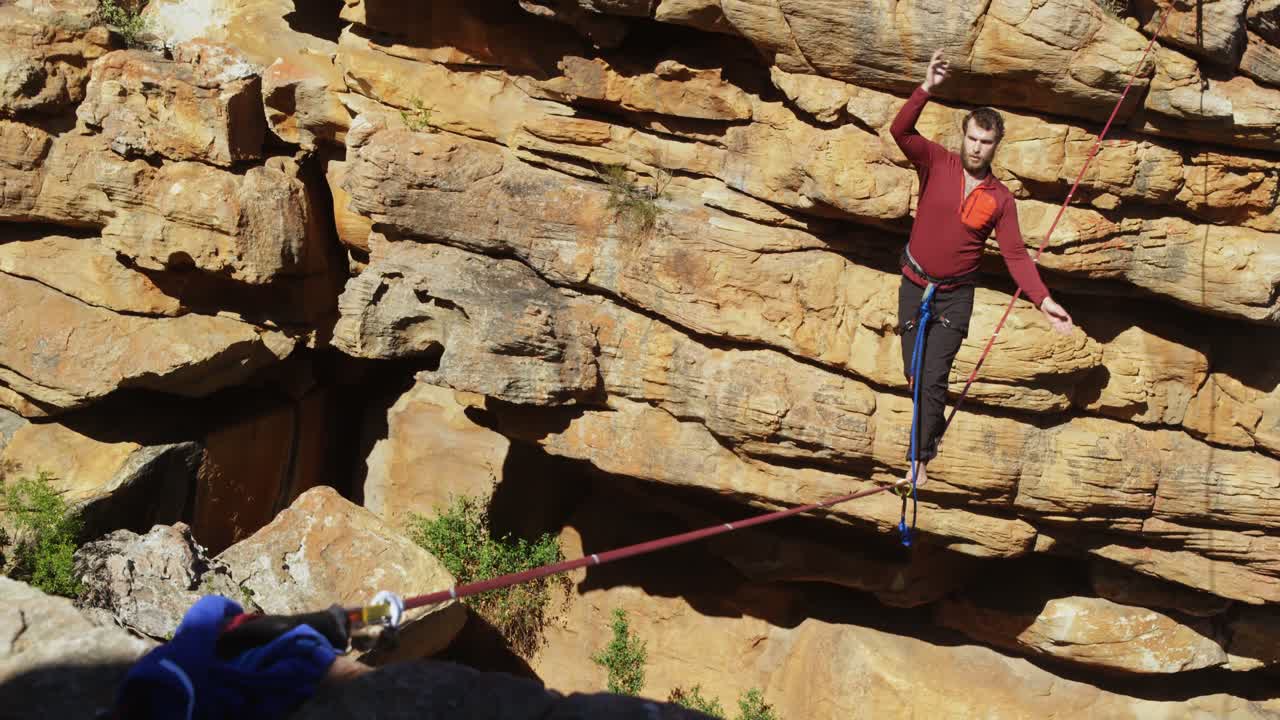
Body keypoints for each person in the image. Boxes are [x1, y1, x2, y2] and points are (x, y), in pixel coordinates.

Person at [890, 49, 1074, 489]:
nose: (976, 148)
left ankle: (919, 458)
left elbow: (1014, 255)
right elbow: (900, 131)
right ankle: (922, 443)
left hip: (955, 296)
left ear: (996, 146)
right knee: (915, 374)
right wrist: (926, 88)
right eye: (972, 139)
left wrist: (1043, 300)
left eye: (985, 142)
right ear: (964, 137)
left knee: (934, 378)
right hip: (914, 284)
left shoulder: (1001, 198)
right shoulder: (936, 162)